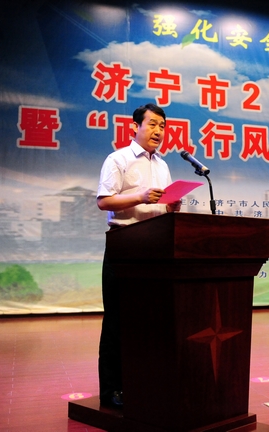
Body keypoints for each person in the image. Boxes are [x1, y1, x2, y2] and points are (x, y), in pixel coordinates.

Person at [96, 103, 181, 408]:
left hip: (155, 247)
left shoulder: (163, 166)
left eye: (163, 126)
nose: (159, 131)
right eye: (153, 124)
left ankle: (144, 382)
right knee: (118, 320)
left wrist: (171, 206)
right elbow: (104, 201)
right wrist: (140, 197)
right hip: (124, 245)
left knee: (150, 319)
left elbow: (162, 204)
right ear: (136, 126)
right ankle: (112, 390)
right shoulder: (118, 159)